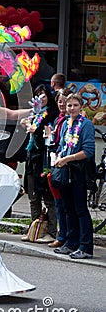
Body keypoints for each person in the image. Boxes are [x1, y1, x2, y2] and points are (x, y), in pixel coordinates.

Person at [53, 93, 95, 259]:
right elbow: (62, 146)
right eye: (69, 105)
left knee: (80, 209)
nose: (71, 108)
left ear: (81, 106)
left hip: (78, 171)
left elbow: (88, 151)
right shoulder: (65, 124)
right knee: (67, 208)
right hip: (65, 171)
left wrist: (67, 159)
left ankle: (85, 246)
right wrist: (58, 157)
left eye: (75, 105)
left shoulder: (86, 125)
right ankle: (71, 243)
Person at [20, 84, 58, 243]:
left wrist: (31, 126)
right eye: (38, 96)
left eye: (43, 96)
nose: (40, 99)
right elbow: (27, 125)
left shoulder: (52, 113)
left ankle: (51, 231)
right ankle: (34, 229)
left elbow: (44, 132)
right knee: (32, 196)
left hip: (44, 159)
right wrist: (27, 121)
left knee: (48, 197)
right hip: (32, 157)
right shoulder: (35, 112)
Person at [46, 88, 72, 248]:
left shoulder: (70, 121)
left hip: (64, 165)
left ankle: (65, 236)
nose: (62, 104)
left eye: (65, 102)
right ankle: (62, 235)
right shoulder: (58, 119)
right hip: (53, 162)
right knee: (59, 203)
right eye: (60, 101)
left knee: (64, 204)